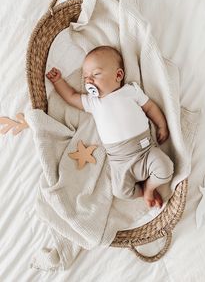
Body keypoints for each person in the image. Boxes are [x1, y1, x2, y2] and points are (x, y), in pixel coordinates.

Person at [46, 45, 174, 208]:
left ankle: (149, 188)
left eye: (96, 74)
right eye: (85, 77)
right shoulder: (93, 102)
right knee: (120, 192)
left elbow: (150, 107)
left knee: (166, 169)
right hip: (119, 161)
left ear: (118, 75)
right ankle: (142, 192)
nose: (89, 80)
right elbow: (71, 97)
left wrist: (162, 125)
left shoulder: (130, 91)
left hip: (145, 150)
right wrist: (58, 81)